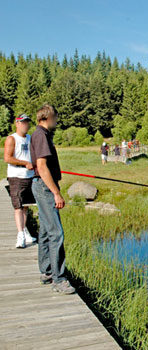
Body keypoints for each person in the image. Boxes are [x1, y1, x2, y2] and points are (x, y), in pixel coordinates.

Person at [30, 104, 75, 294]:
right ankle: (59, 279)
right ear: (48, 118)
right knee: (56, 233)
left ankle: (47, 271)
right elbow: (41, 166)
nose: (57, 121)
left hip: (41, 185)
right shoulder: (41, 135)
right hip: (44, 187)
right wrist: (56, 192)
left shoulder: (40, 135)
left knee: (46, 232)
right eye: (55, 118)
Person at [4, 114, 37, 248]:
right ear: (17, 123)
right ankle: (20, 235)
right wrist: (24, 163)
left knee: (26, 206)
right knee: (18, 207)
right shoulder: (12, 138)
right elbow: (8, 158)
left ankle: (25, 231)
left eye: (27, 122)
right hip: (16, 176)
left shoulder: (30, 138)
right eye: (23, 122)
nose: (26, 125)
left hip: (29, 176)